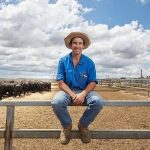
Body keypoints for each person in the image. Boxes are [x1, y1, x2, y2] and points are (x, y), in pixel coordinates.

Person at [51, 32, 104, 144]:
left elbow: (93, 82)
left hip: (85, 91)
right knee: (56, 102)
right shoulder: (63, 61)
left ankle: (83, 125)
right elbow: (61, 82)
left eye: (80, 43)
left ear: (83, 46)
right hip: (67, 91)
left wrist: (83, 94)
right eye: (75, 43)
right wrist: (73, 95)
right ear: (71, 45)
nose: (77, 46)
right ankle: (66, 126)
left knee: (98, 102)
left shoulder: (89, 62)